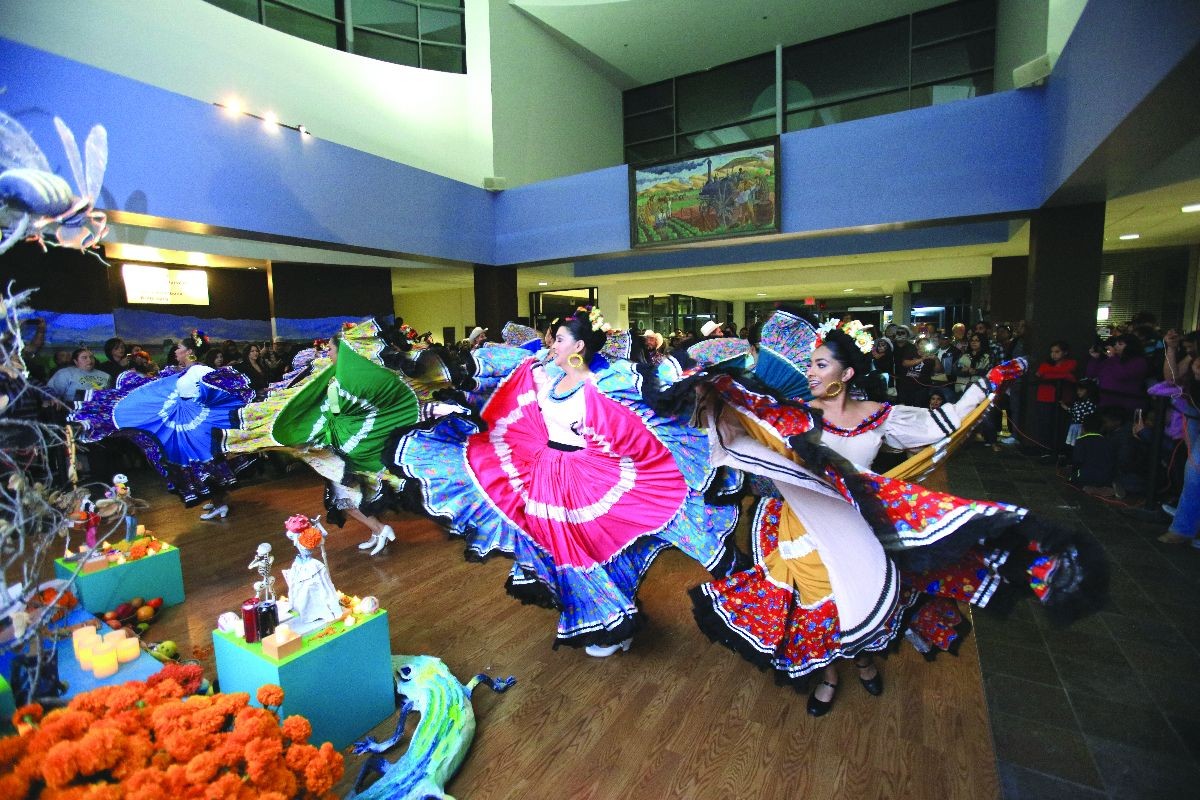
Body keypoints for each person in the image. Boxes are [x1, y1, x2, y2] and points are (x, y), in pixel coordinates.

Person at [687, 320, 1105, 717]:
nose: (810, 372)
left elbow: (949, 422)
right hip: (805, 527)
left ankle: (865, 661)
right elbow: (749, 428)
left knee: (862, 596)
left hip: (862, 525)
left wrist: (989, 384)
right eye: (809, 364)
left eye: (820, 364)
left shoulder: (882, 415)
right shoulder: (792, 414)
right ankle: (829, 677)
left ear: (847, 372)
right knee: (817, 607)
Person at [387, 308, 740, 656]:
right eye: (552, 339)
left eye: (559, 339)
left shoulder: (608, 381)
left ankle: (612, 616)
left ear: (580, 345)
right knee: (562, 552)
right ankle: (606, 616)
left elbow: (653, 403)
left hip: (590, 480)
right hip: (544, 477)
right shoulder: (545, 373)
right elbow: (499, 378)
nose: (551, 345)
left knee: (596, 551)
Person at [222, 321, 425, 555]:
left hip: (344, 445)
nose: (327, 352)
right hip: (345, 443)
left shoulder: (340, 381)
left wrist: (317, 413)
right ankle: (377, 529)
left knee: (343, 498)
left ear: (342, 351)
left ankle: (379, 528)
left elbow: (337, 412)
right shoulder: (337, 376)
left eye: (330, 349)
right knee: (357, 493)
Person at [68, 331, 255, 513]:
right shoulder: (177, 372)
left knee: (202, 462)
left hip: (195, 425)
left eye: (179, 348)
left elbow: (215, 392)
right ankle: (217, 499)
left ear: (189, 351)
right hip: (183, 424)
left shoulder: (199, 370)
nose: (175, 351)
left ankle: (220, 501)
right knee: (197, 464)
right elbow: (159, 388)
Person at [1034, 340, 1077, 457]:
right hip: (1044, 397)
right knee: (1044, 425)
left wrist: (1049, 373)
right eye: (1052, 352)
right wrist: (1062, 374)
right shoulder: (1045, 364)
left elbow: (1070, 376)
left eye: (1057, 352)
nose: (1053, 354)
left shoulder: (1070, 363)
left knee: (1060, 425)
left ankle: (1058, 449)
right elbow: (1039, 374)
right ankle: (1045, 450)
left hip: (1062, 398)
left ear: (1065, 352)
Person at [1086, 333, 1148, 412]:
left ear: (1131, 346)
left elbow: (1121, 375)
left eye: (1120, 344)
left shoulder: (1139, 361)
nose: (1115, 346)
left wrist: (1112, 358)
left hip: (1126, 405)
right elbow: (1091, 374)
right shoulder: (1112, 360)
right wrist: (1095, 359)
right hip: (1106, 401)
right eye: (1116, 343)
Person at [46, 347, 110, 402]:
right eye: (84, 358)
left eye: (91, 357)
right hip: (73, 409)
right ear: (75, 361)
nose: (89, 360)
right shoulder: (65, 373)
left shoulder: (105, 375)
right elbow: (50, 393)